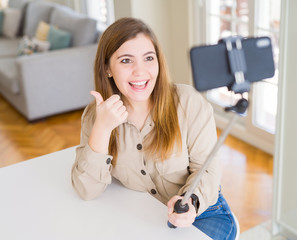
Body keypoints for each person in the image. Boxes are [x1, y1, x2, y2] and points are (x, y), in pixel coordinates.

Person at [71, 17, 237, 240]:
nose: (140, 72)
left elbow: (206, 169)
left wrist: (192, 203)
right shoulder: (96, 115)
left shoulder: (188, 102)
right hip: (146, 216)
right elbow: (87, 190)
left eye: (148, 58)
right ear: (107, 69)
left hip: (204, 212)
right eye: (126, 61)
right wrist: (102, 129)